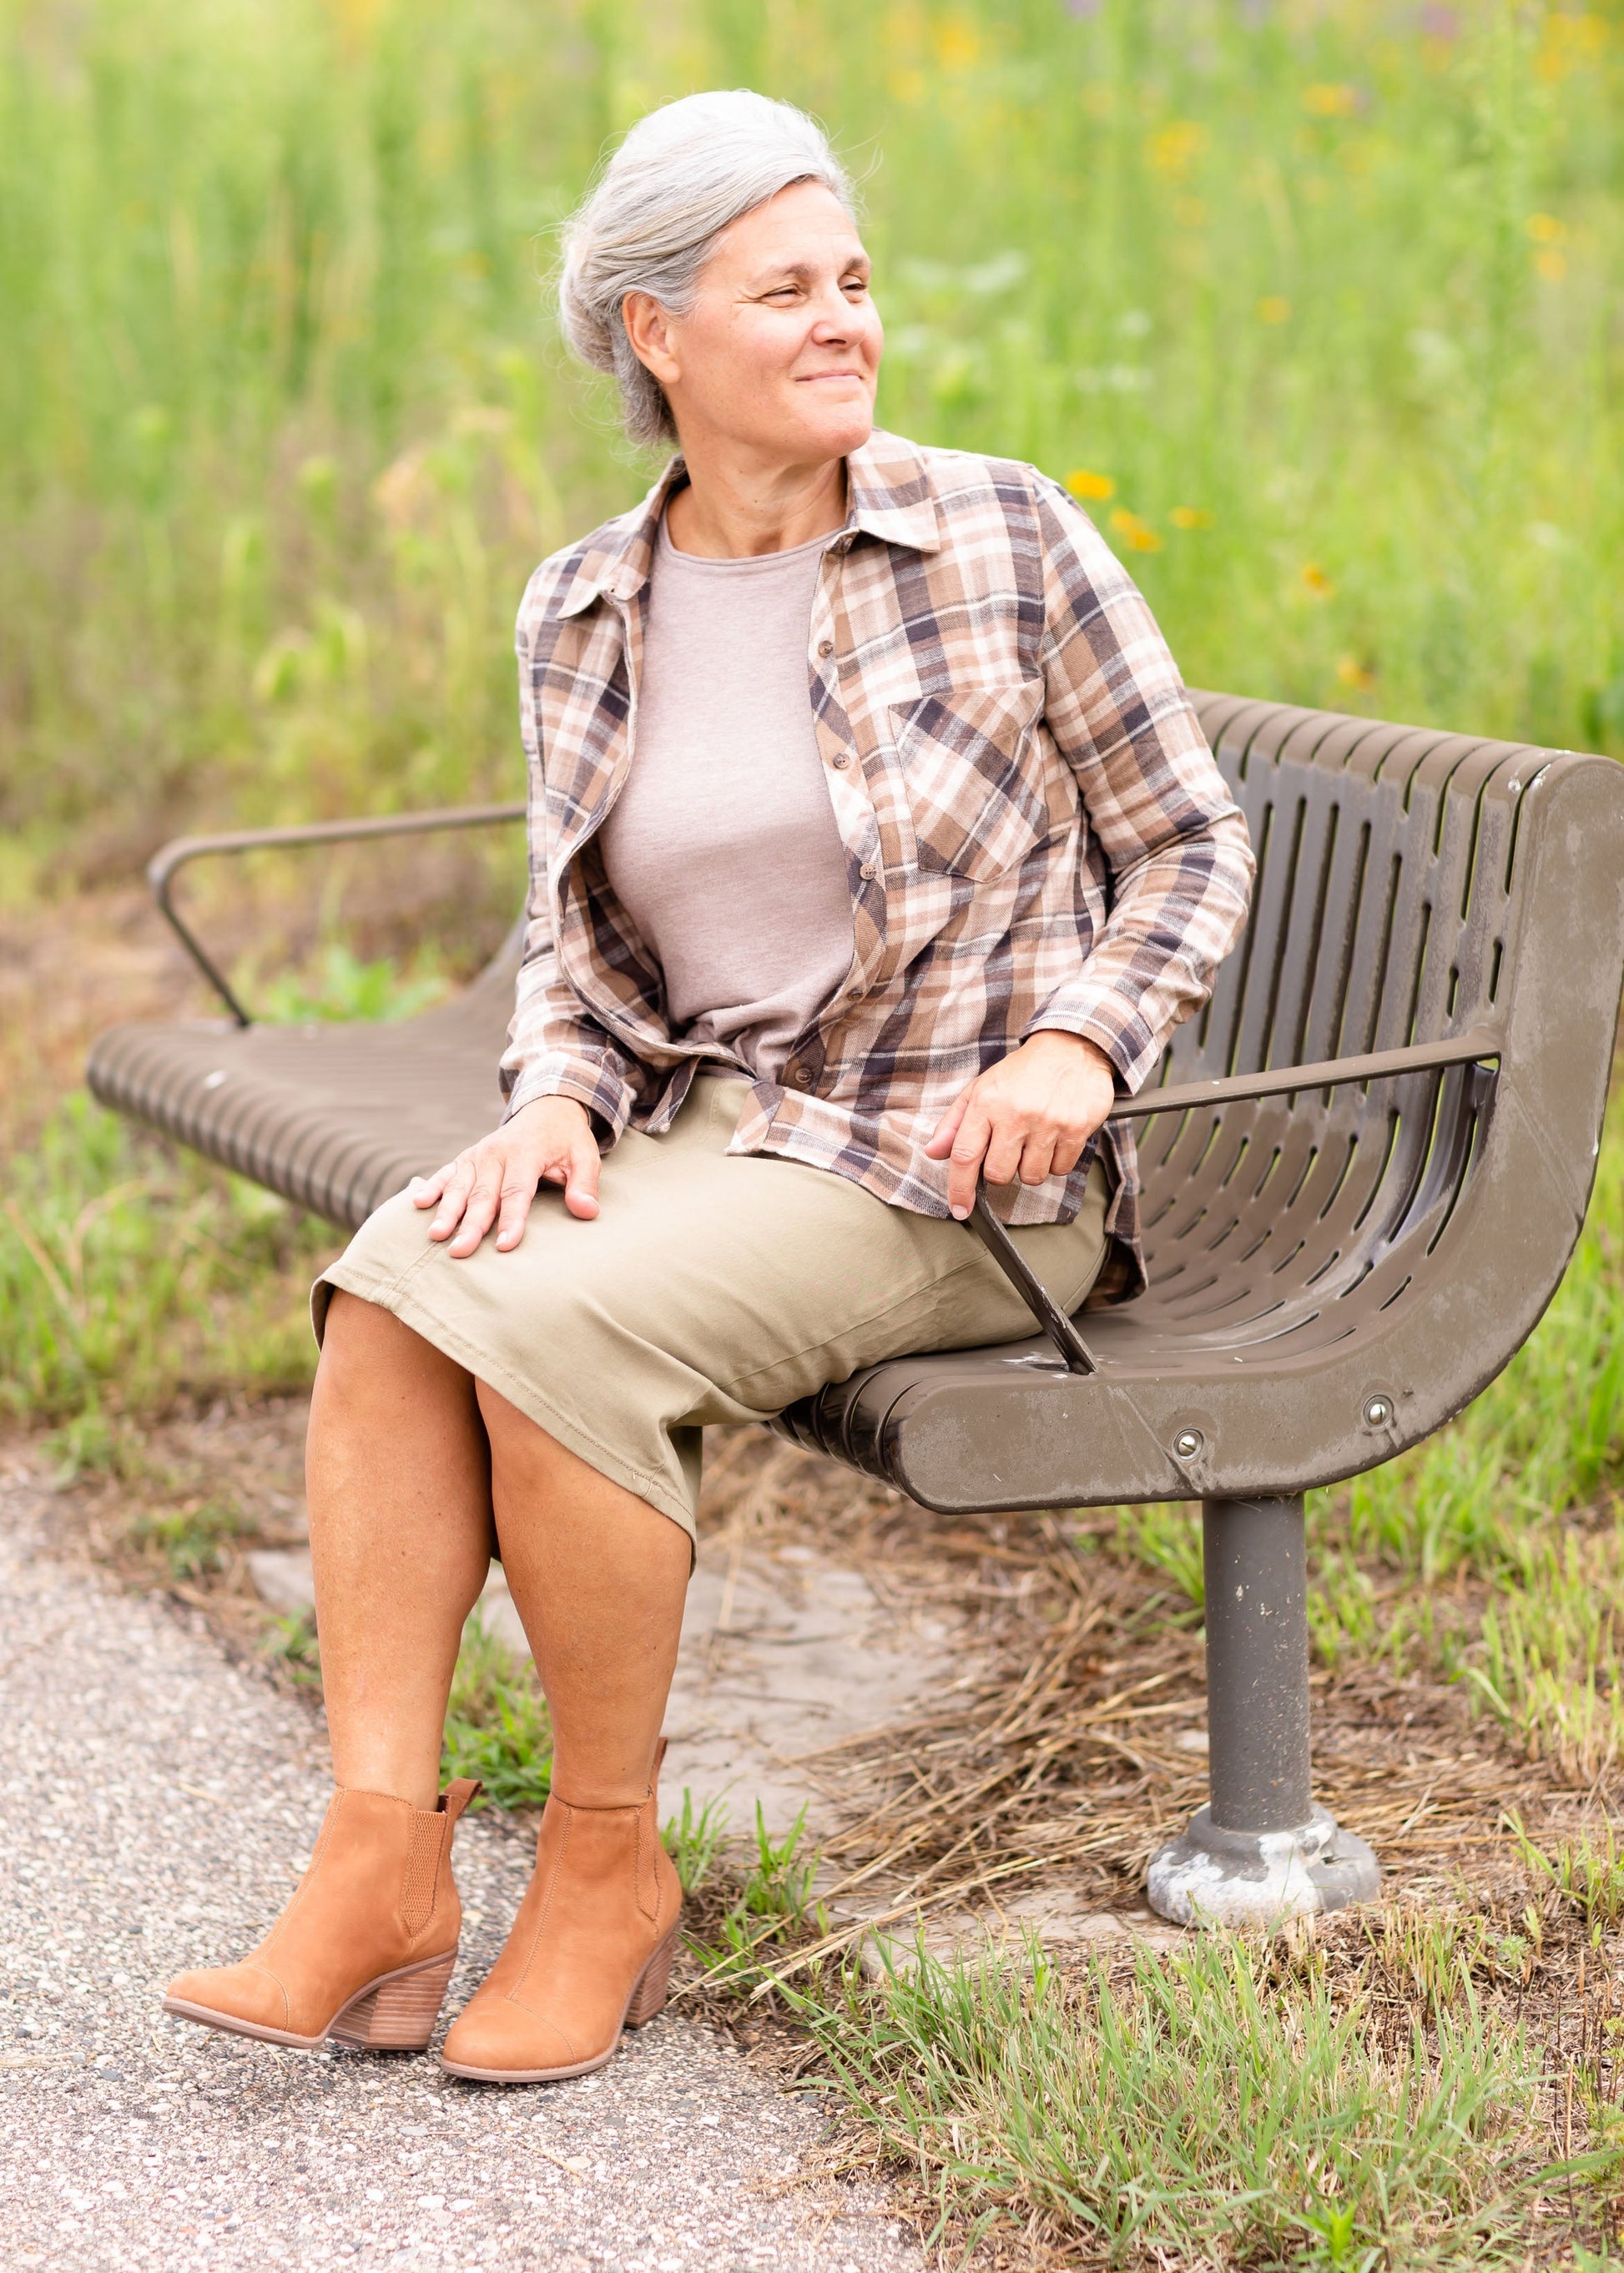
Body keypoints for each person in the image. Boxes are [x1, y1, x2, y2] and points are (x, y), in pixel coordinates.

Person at [163, 89, 1253, 2083]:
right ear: (654, 334)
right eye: (785, 289)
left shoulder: (998, 530)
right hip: (700, 1132)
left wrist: (1077, 1044)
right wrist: (558, 1096)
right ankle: (380, 1863)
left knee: (546, 1321)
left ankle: (601, 1875)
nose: (844, 320)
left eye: (851, 280)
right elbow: (578, 937)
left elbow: (1190, 840)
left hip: (956, 1171)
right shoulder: (586, 599)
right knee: (401, 1284)